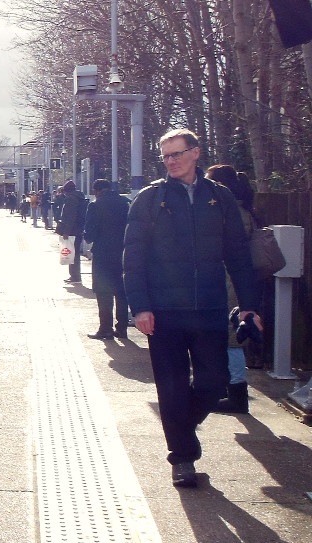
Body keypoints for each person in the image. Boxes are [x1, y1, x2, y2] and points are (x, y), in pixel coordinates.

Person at [124, 128, 262, 488]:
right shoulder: (150, 199)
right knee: (170, 387)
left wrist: (248, 305)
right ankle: (182, 458)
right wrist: (140, 307)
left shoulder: (220, 197)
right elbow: (133, 258)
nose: (171, 161)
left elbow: (238, 254)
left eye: (177, 154)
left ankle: (183, 426)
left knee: (214, 381)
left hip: (210, 306)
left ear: (196, 153)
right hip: (163, 310)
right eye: (166, 156)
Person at [206, 165, 258, 414]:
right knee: (228, 339)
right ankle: (231, 389)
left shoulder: (232, 211)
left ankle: (237, 395)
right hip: (231, 280)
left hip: (229, 282)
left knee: (231, 339)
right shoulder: (244, 208)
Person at [84, 179, 130, 340]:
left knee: (103, 292)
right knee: (121, 291)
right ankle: (122, 328)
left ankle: (105, 329)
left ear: (97, 190)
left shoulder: (96, 205)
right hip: (124, 252)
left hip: (103, 254)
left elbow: (89, 234)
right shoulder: (125, 203)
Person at [55, 180, 86, 283]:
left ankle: (75, 276)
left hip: (72, 231)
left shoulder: (71, 199)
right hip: (78, 229)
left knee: (72, 254)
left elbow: (70, 217)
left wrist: (66, 232)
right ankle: (75, 275)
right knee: (74, 253)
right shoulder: (80, 197)